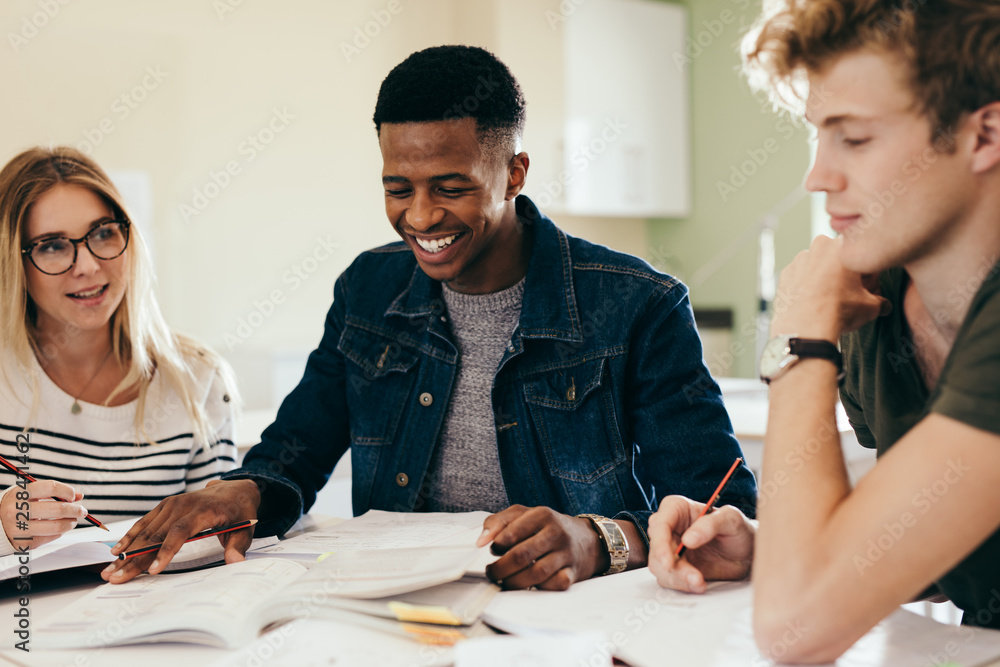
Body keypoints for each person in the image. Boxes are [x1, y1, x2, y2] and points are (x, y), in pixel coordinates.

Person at [103, 45, 755, 588]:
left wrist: (597, 540)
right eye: (397, 188)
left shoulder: (639, 303)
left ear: (514, 172)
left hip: (574, 624)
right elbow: (294, 453)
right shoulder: (367, 288)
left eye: (450, 187)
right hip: (401, 613)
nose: (419, 217)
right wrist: (243, 492)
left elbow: (721, 503)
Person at [647, 0, 1000, 662]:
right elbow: (948, 531)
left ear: (984, 136)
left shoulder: (834, 311)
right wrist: (770, 545)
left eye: (855, 138)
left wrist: (802, 334)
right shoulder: (878, 304)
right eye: (818, 134)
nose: (819, 176)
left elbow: (794, 629)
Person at [0, 147, 239, 555]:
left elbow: (220, 540)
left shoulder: (198, 379)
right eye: (53, 245)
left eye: (102, 233)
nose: (88, 265)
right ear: (12, 263)